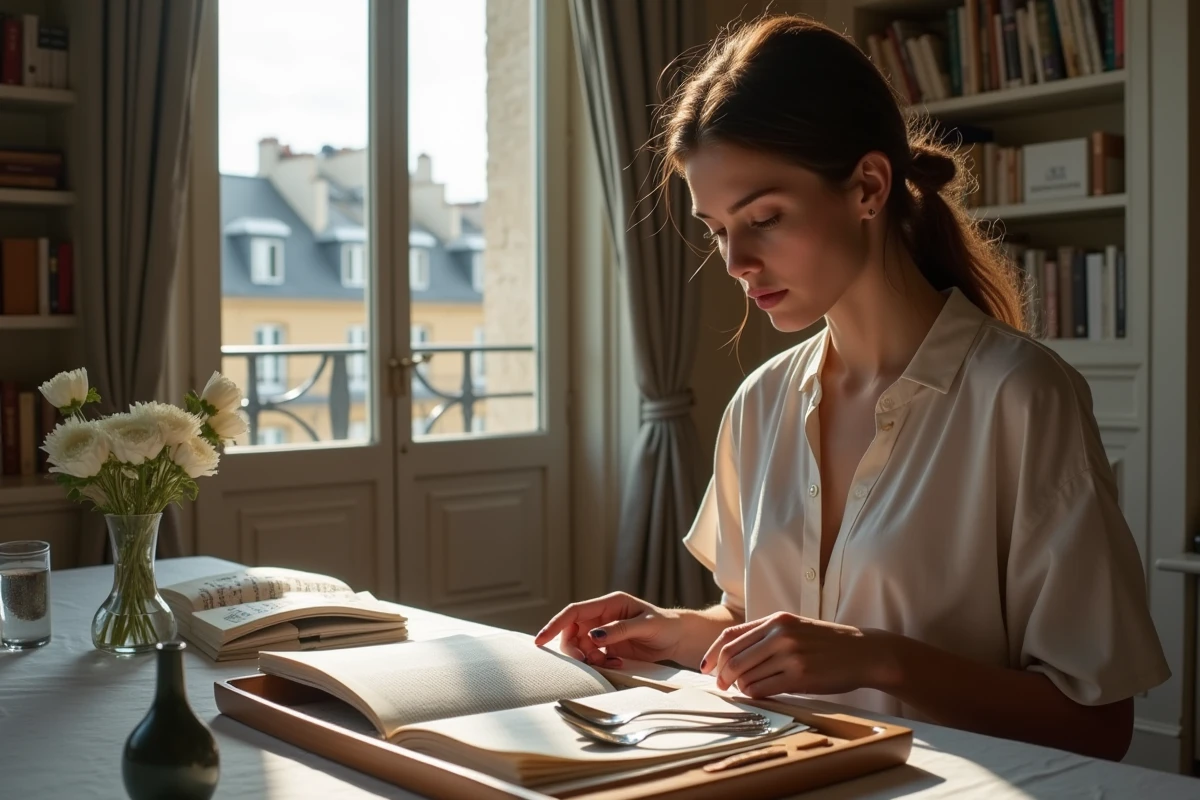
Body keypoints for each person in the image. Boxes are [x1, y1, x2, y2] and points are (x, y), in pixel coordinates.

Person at [534, 14, 1170, 761]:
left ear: (868, 186)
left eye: (764, 217)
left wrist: (880, 658)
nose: (736, 259)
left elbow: (1099, 723)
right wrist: (672, 629)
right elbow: (763, 629)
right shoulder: (759, 405)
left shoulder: (1021, 398)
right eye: (715, 228)